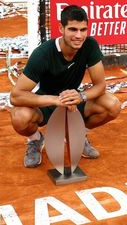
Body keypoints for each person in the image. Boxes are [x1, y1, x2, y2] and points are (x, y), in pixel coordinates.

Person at [9, 5, 121, 168]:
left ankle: (78, 135)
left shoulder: (89, 45)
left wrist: (81, 96)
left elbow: (100, 85)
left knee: (112, 105)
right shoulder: (43, 54)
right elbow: (15, 96)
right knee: (20, 117)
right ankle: (35, 140)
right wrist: (55, 100)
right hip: (47, 103)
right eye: (73, 29)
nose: (79, 35)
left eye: (83, 30)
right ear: (61, 28)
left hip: (74, 101)